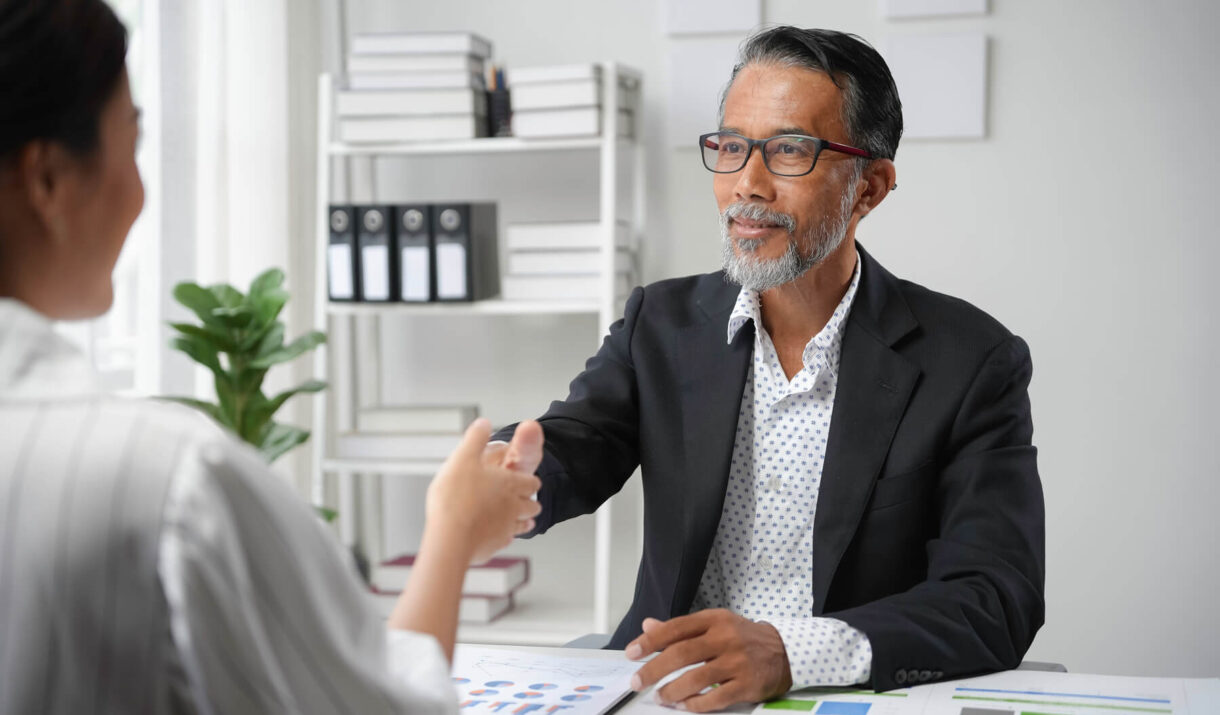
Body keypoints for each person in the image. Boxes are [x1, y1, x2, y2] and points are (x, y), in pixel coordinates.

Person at [0, 1, 543, 712]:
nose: (139, 191)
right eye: (131, 144)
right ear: (48, 181)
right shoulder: (174, 479)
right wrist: (453, 528)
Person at [492, 26, 1045, 711]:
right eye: (730, 147)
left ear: (868, 187)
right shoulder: (658, 325)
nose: (745, 185)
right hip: (666, 691)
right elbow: (579, 439)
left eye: (789, 150)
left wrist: (792, 652)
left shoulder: (969, 361)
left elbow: (996, 595)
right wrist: (508, 477)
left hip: (841, 696)